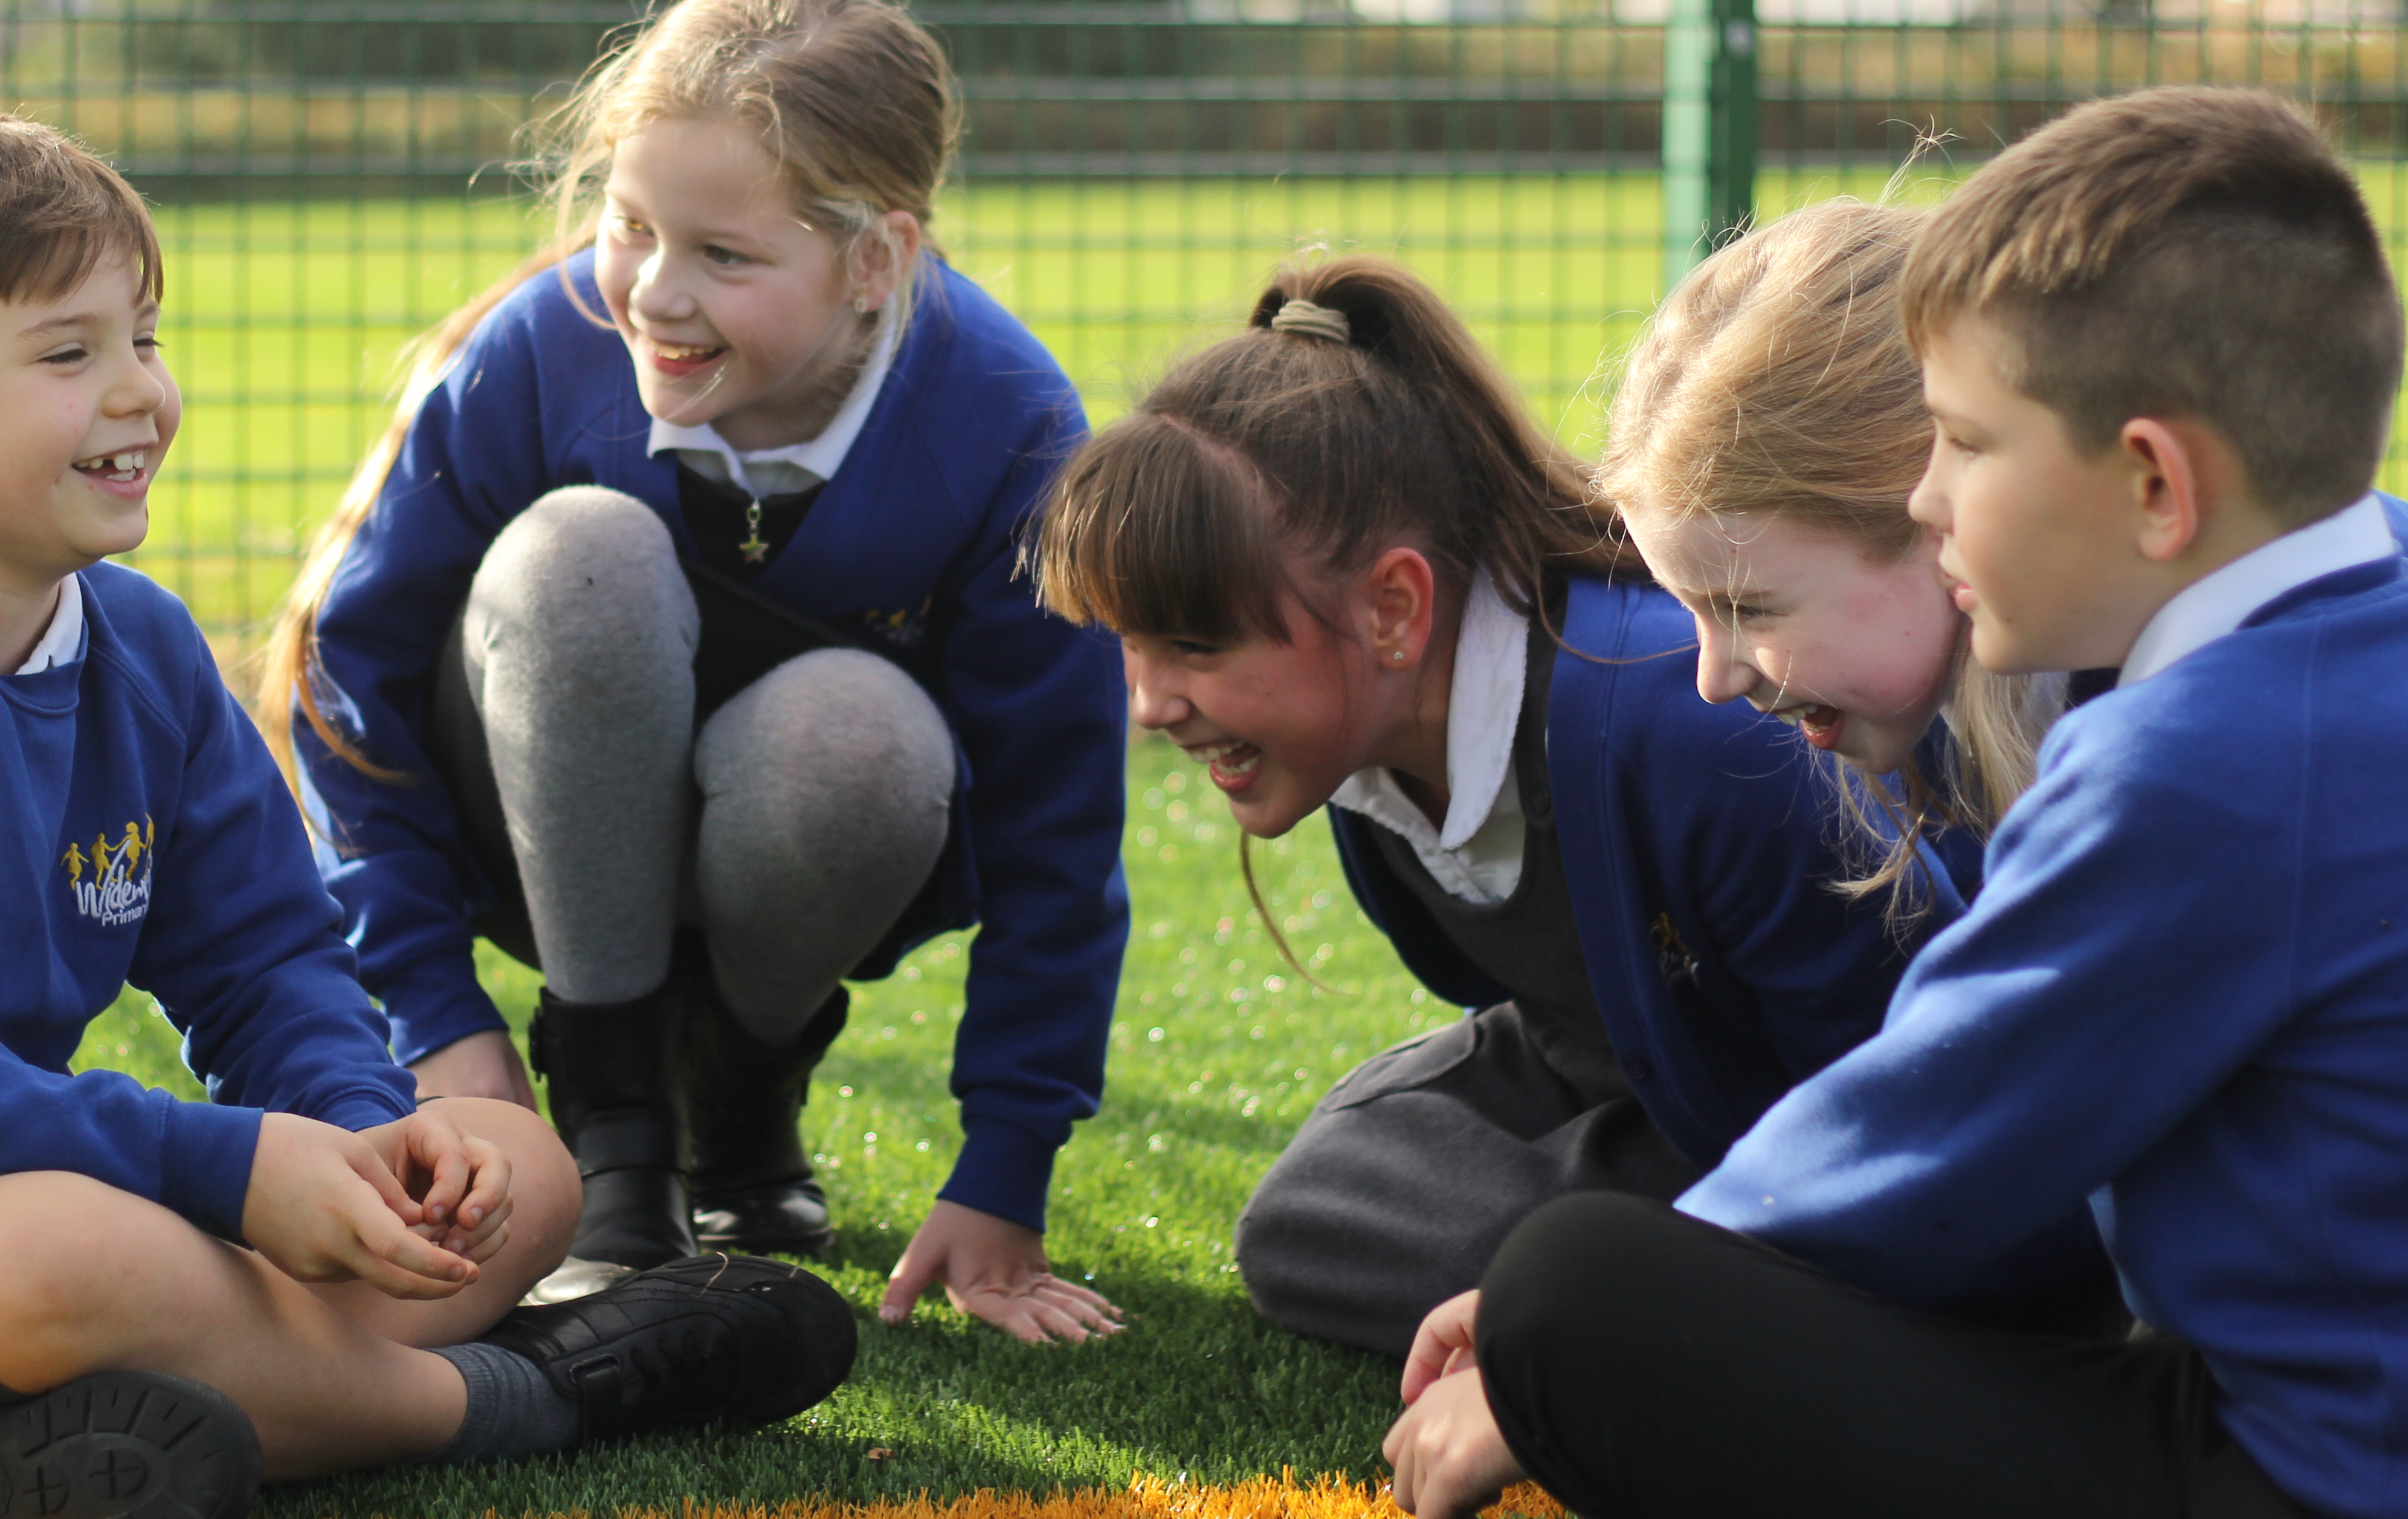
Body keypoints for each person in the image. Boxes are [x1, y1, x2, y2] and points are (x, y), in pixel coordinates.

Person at [0, 91, 856, 1519]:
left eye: (142, 338)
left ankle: (52, 1442)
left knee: (513, 1166)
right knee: (72, 1253)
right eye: (68, 350)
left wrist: (360, 1136)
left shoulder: (140, 647)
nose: (139, 391)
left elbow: (265, 958)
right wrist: (226, 1168)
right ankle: (527, 1393)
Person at [1388, 87, 2408, 1519]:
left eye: (1962, 446)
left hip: (2312, 1469)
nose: (1925, 503)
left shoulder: (2199, 758)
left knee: (1577, 1285)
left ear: (2151, 484)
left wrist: (1537, 1332)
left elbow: (1938, 1137)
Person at [259, 0, 1130, 1341]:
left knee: (863, 724)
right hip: (527, 834)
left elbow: (1058, 819)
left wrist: (1006, 1162)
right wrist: (437, 1025)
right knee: (581, 554)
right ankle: (611, 1118)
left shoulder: (1008, 421)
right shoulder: (538, 349)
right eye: (628, 222)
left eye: (724, 254)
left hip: (811, 849)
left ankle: (740, 1088)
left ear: (876, 260)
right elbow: (338, 683)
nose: (653, 292)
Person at [1030, 252, 2003, 1360]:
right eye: (1128, 647)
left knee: (1543, 1262)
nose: (1149, 705)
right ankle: (1633, 1266)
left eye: (1194, 646)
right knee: (1309, 1223)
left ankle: (1666, 1284)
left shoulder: (1689, 730)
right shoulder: (1362, 744)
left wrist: (1692, 1255)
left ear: (1393, 607)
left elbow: (1907, 1068)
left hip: (1829, 1126)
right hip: (1653, 1088)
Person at [1597, 195, 2064, 882]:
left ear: (1939, 512)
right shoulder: (1957, 735)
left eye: (1748, 608)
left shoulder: (2152, 736)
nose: (1713, 682)